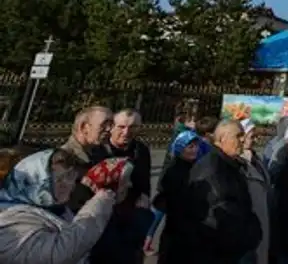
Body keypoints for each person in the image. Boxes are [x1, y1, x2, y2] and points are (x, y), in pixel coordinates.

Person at [0, 149, 118, 263]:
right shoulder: (9, 219)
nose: (68, 184)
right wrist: (99, 204)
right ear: (33, 183)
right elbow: (56, 255)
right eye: (58, 179)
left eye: (70, 175)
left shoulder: (54, 208)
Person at [183, 120, 263, 263]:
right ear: (221, 139)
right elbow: (220, 216)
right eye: (238, 136)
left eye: (243, 135)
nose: (243, 140)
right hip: (220, 253)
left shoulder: (229, 164)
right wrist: (250, 235)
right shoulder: (213, 169)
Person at [97, 109, 154, 264]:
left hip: (132, 214)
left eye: (133, 127)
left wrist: (144, 197)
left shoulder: (141, 150)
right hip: (104, 214)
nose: (126, 132)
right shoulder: (99, 150)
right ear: (111, 127)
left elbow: (144, 182)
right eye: (121, 127)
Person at [145, 130, 201, 261]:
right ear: (180, 148)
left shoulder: (196, 167)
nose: (195, 150)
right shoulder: (174, 170)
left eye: (196, 146)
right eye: (190, 147)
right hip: (176, 229)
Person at [239, 119, 271, 264]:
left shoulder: (255, 158)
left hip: (261, 216)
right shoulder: (237, 161)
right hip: (248, 223)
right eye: (252, 136)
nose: (256, 140)